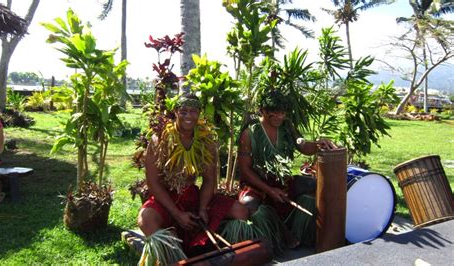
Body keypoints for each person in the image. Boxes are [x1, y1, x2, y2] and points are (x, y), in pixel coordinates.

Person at [137, 93, 249, 264]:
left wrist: (203, 208)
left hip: (193, 197)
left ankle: (217, 247)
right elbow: (153, 183)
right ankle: (174, 253)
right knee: (146, 220)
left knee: (240, 211)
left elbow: (209, 180)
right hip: (165, 200)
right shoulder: (159, 139)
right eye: (183, 111)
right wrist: (176, 213)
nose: (189, 116)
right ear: (175, 112)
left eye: (194, 111)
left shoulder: (206, 140)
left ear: (200, 113)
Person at [237, 89, 336, 251]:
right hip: (256, 185)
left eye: (282, 113)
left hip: (283, 181)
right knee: (249, 205)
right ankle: (284, 235)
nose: (279, 117)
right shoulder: (249, 134)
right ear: (262, 110)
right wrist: (269, 190)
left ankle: (321, 231)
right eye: (273, 113)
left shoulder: (287, 127)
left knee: (315, 185)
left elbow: (303, 146)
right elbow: (245, 170)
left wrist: (318, 144)